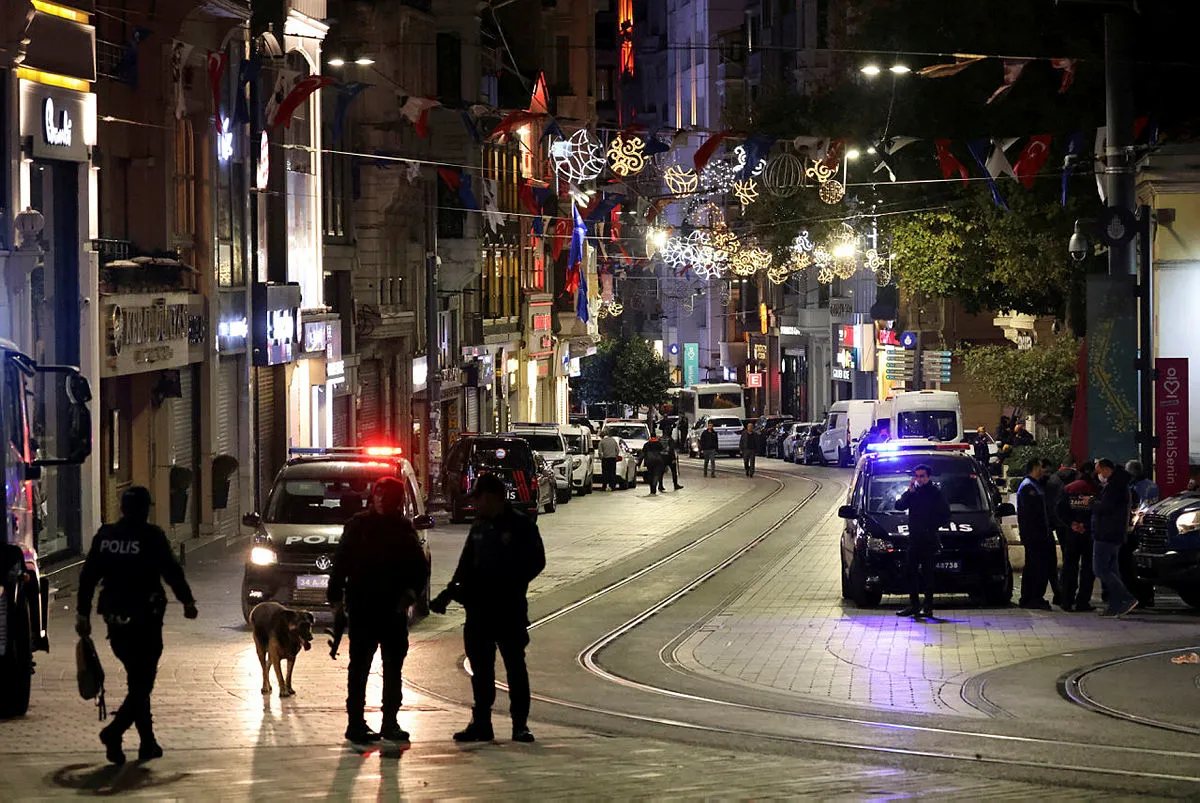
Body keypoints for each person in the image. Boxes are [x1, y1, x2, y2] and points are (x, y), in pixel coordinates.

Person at [75, 486, 197, 765]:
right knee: (143, 683)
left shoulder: (106, 536)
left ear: (122, 508)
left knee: (136, 680)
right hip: (145, 619)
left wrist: (82, 614)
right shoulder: (151, 536)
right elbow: (171, 571)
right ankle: (114, 732)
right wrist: (187, 601)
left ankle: (147, 742)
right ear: (145, 509)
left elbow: (88, 577)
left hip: (115, 620)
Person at [430, 473, 545, 743]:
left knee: (515, 667)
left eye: (478, 499)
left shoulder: (520, 525)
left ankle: (520, 725)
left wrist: (510, 582)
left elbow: (536, 561)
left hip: (509, 609)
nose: (475, 505)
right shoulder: (479, 527)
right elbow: (465, 565)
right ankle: (481, 723)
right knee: (481, 670)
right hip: (479, 612)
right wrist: (448, 593)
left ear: (492, 497)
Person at [327, 477, 430, 744]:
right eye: (379, 495)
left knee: (393, 667)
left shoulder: (404, 530)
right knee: (359, 667)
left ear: (397, 502)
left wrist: (410, 594)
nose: (382, 500)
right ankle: (355, 723)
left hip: (392, 610)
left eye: (388, 496)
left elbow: (419, 569)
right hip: (363, 607)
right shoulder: (358, 526)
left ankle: (390, 721)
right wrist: (335, 598)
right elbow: (341, 563)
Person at [894, 464, 951, 619]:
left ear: (928, 477)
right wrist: (909, 492)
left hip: (928, 540)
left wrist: (931, 527)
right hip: (914, 540)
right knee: (910, 571)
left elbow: (945, 514)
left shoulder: (935, 493)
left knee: (928, 574)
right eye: (917, 476)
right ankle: (914, 605)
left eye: (922, 476)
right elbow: (899, 506)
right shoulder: (914, 492)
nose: (919, 479)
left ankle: (928, 606)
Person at [1091, 459, 1139, 617]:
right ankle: (1116, 604)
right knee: (1112, 569)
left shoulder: (1115, 486)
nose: (1099, 475)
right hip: (1115, 533)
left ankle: (1125, 598)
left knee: (1100, 568)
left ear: (1106, 469)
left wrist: (1091, 502)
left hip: (1107, 533)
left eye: (1099, 472)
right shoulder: (1120, 484)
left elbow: (1106, 507)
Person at [1017, 459, 1055, 610]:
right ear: (1034, 468)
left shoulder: (1034, 485)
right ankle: (1032, 597)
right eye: (1040, 467)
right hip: (1035, 535)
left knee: (1036, 567)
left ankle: (1031, 597)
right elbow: (1031, 514)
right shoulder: (1028, 487)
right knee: (1035, 568)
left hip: (1038, 534)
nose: (1043, 470)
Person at [1061, 462, 1098, 612]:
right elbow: (1099, 511)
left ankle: (1067, 600)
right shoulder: (1096, 489)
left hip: (1072, 533)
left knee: (1069, 566)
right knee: (1088, 569)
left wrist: (1072, 523)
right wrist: (1086, 526)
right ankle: (1083, 601)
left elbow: (1060, 509)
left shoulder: (1069, 488)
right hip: (1089, 534)